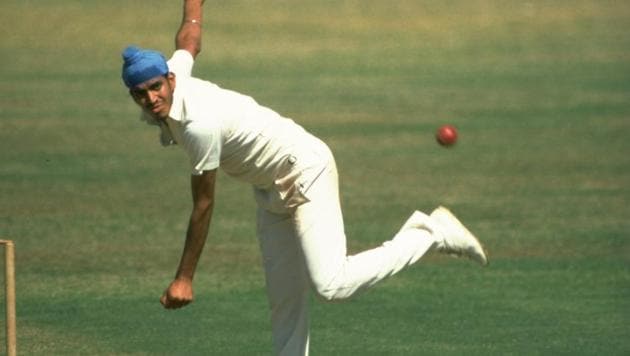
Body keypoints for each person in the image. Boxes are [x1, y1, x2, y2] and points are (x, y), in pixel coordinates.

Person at [121, 1, 488, 355]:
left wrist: (184, 278)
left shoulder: (199, 125)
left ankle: (430, 233)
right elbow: (189, 40)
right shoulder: (174, 73)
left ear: (169, 80)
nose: (151, 99)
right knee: (285, 301)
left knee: (333, 284)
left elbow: (203, 204)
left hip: (304, 169)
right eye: (141, 94)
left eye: (156, 87)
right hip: (270, 188)